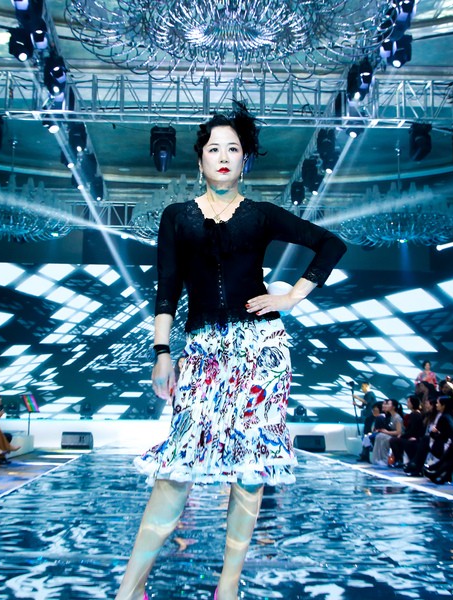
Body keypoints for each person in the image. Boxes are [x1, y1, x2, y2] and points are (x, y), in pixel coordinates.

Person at [121, 102, 346, 600]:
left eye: (233, 149)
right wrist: (162, 351)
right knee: (176, 467)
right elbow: (167, 289)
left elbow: (330, 244)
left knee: (250, 470)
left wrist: (291, 297)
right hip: (201, 350)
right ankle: (129, 590)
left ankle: (228, 590)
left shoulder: (261, 215)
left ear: (245, 160)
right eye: (214, 149)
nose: (223, 157)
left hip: (262, 351)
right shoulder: (176, 217)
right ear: (199, 158)